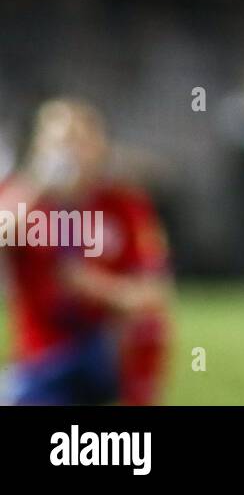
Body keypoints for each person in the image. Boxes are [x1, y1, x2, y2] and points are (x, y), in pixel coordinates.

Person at [0, 99, 171, 405]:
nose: (71, 152)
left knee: (149, 326)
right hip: (43, 355)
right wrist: (36, 185)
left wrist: (96, 288)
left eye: (81, 139)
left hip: (102, 350)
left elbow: (153, 293)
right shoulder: (21, 200)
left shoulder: (123, 205)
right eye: (61, 141)